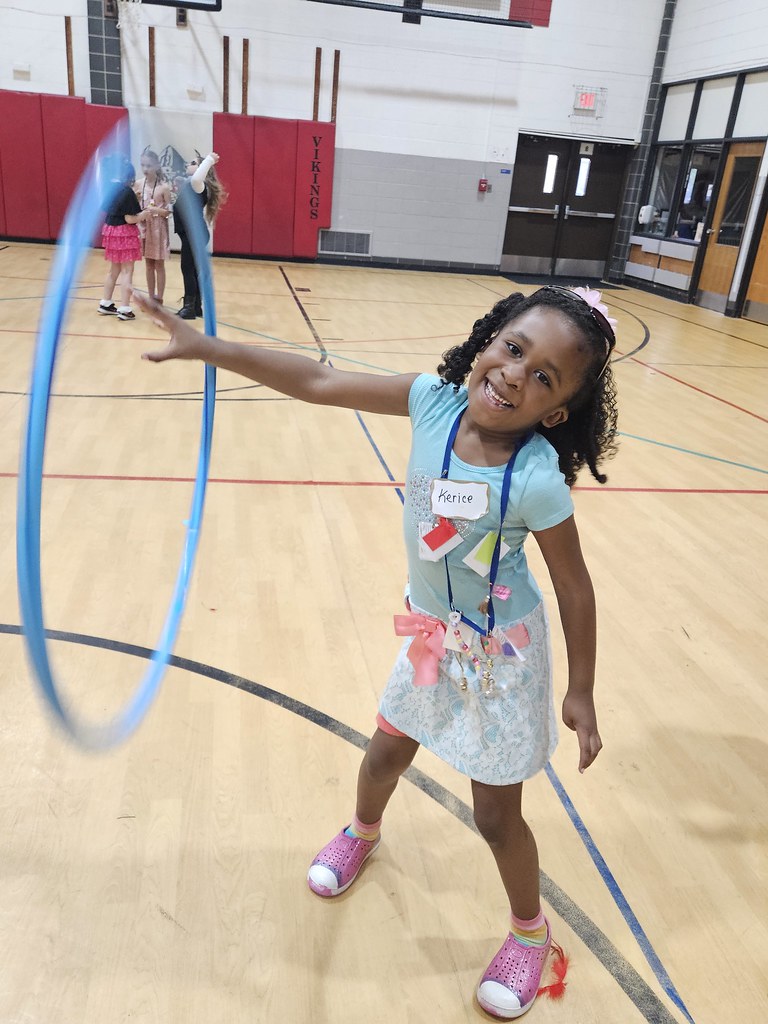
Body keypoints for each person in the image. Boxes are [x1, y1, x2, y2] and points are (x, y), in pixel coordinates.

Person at [134, 283, 619, 1019]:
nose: (518, 373)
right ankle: (362, 833)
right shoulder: (431, 402)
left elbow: (575, 589)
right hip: (430, 633)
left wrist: (580, 689)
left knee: (494, 817)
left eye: (545, 376)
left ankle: (531, 932)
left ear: (555, 411)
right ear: (487, 338)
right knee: (384, 755)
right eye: (515, 348)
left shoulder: (539, 480)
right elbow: (319, 381)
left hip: (502, 658)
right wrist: (210, 347)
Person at [171, 151, 227, 320]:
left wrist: (209, 160)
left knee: (187, 269)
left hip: (194, 234)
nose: (189, 164)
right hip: (193, 234)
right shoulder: (190, 186)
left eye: (193, 163)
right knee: (192, 270)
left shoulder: (198, 185)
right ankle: (196, 307)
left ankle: (189, 308)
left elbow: (196, 178)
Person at [98, 158, 147, 321]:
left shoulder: (108, 187)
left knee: (114, 270)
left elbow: (116, 209)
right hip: (124, 233)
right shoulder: (126, 192)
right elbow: (129, 218)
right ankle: (125, 308)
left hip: (111, 231)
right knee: (127, 271)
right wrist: (144, 215)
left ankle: (105, 302)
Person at [134, 148, 172, 304]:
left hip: (158, 228)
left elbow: (169, 212)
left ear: (156, 166)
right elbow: (133, 208)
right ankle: (150, 297)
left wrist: (157, 210)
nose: (145, 169)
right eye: (142, 165)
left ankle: (159, 298)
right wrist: (136, 201)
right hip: (144, 227)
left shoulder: (164, 187)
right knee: (148, 263)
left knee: (159, 264)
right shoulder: (138, 184)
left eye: (148, 165)